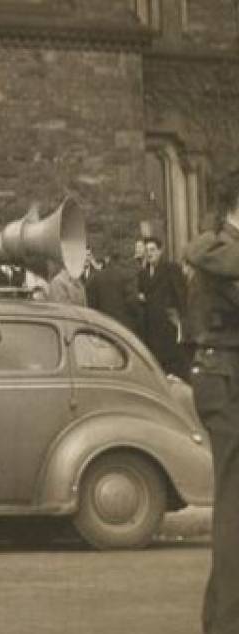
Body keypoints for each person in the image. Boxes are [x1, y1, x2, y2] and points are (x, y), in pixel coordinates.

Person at [182, 171, 239, 634]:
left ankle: (219, 618)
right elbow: (204, 251)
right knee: (234, 502)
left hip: (221, 375)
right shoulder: (219, 250)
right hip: (226, 378)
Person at [138, 237, 188, 378]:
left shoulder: (171, 268)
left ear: (160, 251)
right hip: (151, 326)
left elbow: (181, 295)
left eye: (152, 250)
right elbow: (142, 294)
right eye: (147, 250)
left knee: (172, 364)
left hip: (168, 325)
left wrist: (181, 321)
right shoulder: (143, 274)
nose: (149, 254)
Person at [86, 248, 141, 333]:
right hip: (124, 327)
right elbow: (132, 302)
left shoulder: (96, 278)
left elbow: (91, 305)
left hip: (103, 325)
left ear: (107, 259)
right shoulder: (127, 276)